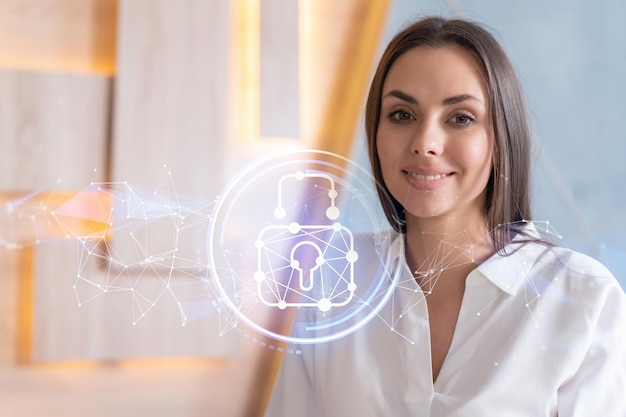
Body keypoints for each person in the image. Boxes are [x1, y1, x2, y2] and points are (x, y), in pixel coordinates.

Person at [264, 16, 626, 416]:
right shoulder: (324, 281)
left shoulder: (582, 299)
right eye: (402, 114)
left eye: (460, 118)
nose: (425, 143)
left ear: (501, 135)